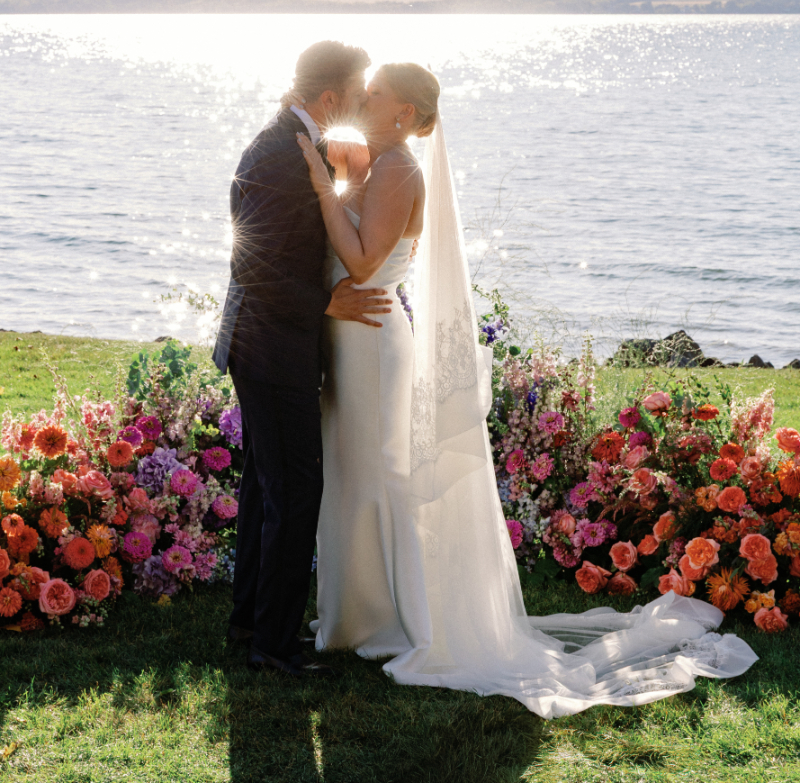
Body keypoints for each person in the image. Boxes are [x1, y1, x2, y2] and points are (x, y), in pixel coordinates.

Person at [296, 61, 758, 719]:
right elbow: (342, 174)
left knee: (372, 479)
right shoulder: (378, 161)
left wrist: (319, 186)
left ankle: (380, 624)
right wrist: (320, 156)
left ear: (402, 114)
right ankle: (355, 617)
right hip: (352, 337)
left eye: (375, 95)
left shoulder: (399, 169)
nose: (364, 101)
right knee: (353, 476)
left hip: (369, 343)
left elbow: (367, 259)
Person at [213, 40, 393, 679]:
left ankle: (251, 622)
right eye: (361, 89)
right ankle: (274, 646)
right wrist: (328, 302)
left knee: (267, 485)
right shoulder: (279, 151)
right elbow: (251, 262)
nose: (366, 100)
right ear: (330, 99)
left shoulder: (298, 144)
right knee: (293, 488)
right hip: (269, 345)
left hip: (267, 341)